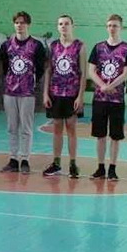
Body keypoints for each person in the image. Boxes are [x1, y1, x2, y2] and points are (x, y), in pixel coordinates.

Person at [88, 14, 127, 181]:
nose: (112, 28)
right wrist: (102, 85)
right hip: (99, 98)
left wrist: (111, 86)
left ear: (121, 27)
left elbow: (126, 73)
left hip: (117, 99)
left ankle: (112, 168)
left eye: (115, 25)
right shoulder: (98, 47)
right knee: (100, 135)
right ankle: (100, 167)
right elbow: (91, 71)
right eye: (109, 25)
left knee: (115, 135)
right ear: (106, 27)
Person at [0, 11, 46, 174]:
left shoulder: (37, 46)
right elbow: (3, 66)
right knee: (12, 127)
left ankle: (25, 159)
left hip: (27, 93)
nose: (19, 25)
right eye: (17, 22)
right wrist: (9, 82)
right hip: (10, 92)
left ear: (28, 25)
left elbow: (41, 68)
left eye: (22, 22)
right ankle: (13, 159)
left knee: (26, 127)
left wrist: (31, 81)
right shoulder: (6, 45)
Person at [42, 14, 86, 179]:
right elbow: (48, 70)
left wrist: (80, 96)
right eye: (60, 24)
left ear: (72, 26)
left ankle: (73, 164)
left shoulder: (80, 46)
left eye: (66, 23)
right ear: (57, 27)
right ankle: (56, 163)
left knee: (71, 128)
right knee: (57, 128)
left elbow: (83, 73)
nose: (63, 26)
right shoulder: (53, 46)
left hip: (72, 94)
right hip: (55, 93)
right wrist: (45, 93)